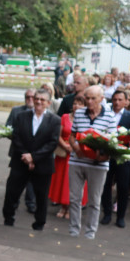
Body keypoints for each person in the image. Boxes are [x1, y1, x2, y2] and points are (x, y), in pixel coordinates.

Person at [2, 90, 61, 230]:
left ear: (48, 103)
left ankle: (39, 223)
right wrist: (26, 156)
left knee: (41, 196)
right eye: (37, 98)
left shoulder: (55, 120)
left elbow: (52, 143)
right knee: (12, 192)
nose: (39, 102)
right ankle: (8, 218)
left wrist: (34, 157)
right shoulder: (21, 116)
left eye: (42, 99)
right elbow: (16, 137)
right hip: (20, 161)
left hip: (43, 164)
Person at [68, 85, 115, 239]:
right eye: (87, 98)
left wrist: (104, 156)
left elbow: (113, 143)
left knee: (94, 201)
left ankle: (90, 232)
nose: (89, 101)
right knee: (74, 198)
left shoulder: (109, 116)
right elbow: (72, 135)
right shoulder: (79, 113)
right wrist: (75, 148)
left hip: (98, 164)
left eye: (93, 98)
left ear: (101, 99)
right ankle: (74, 230)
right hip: (77, 161)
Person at [99, 89, 130, 228]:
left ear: (126, 102)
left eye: (120, 100)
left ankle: (121, 216)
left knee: (122, 187)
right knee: (106, 186)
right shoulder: (106, 114)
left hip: (122, 157)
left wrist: (123, 141)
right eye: (114, 99)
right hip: (107, 156)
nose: (116, 102)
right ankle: (107, 214)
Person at [49, 92, 88, 220]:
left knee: (75, 182)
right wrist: (65, 146)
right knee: (61, 181)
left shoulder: (86, 119)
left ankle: (72, 208)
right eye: (75, 103)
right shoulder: (65, 117)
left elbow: (88, 137)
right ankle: (63, 207)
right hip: (64, 153)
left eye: (80, 104)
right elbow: (57, 134)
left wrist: (76, 147)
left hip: (78, 154)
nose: (77, 106)